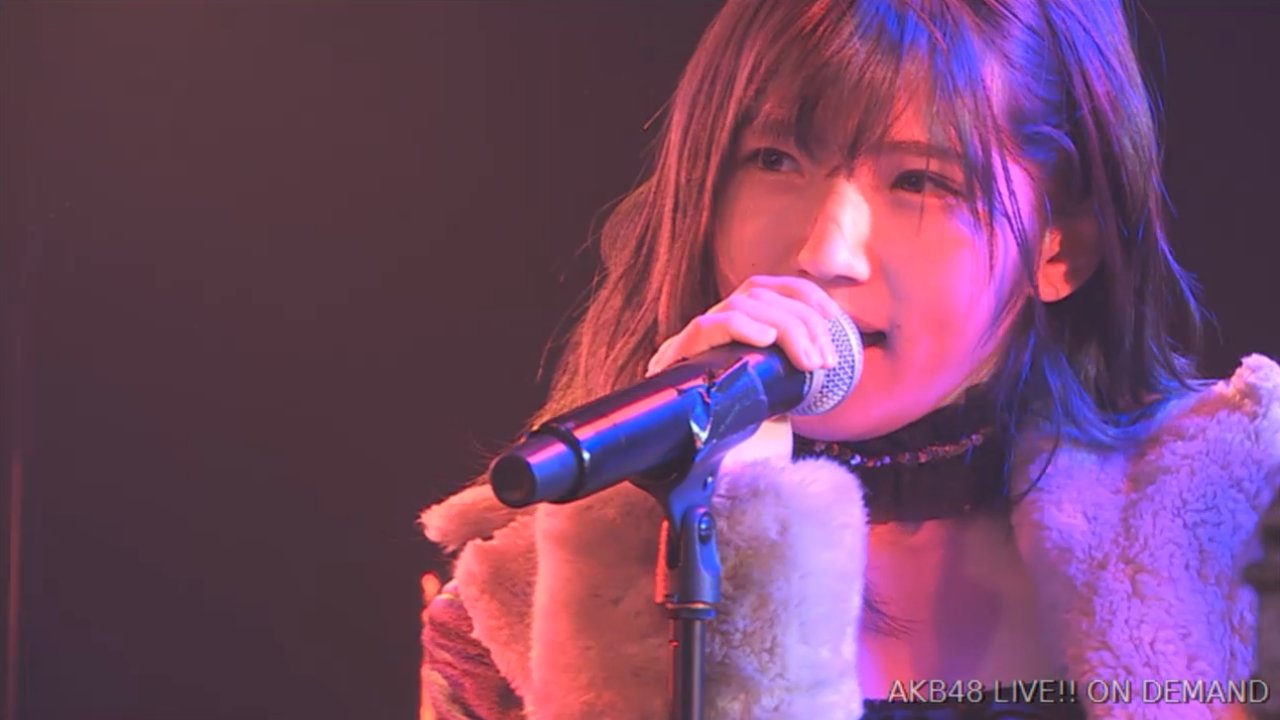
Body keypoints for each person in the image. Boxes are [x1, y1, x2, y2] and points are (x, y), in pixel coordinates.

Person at [418, 0, 1280, 718]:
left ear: (1063, 242)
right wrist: (727, 524)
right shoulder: (514, 612)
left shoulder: (1237, 526)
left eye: (921, 181)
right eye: (775, 159)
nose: (824, 252)